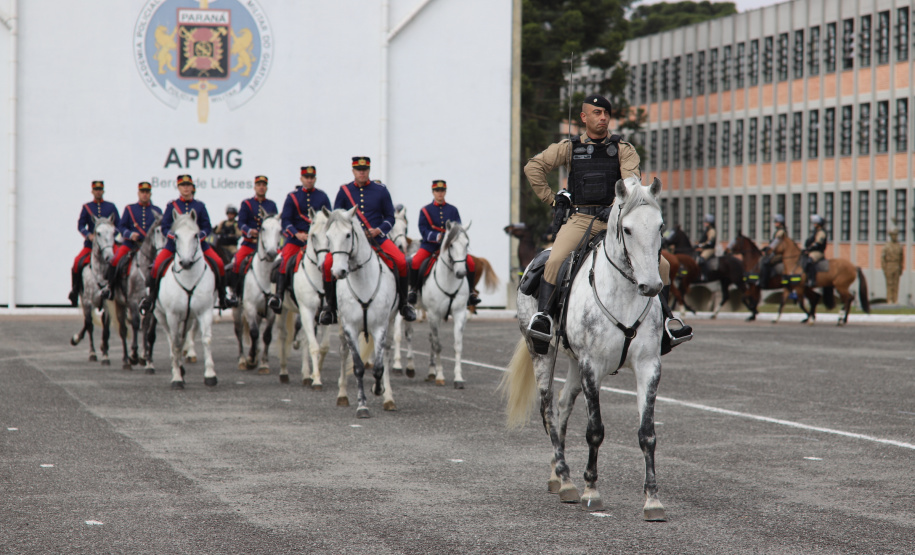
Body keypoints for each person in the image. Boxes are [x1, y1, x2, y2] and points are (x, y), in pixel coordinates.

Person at [523, 94, 688, 355]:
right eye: (597, 113)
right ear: (584, 117)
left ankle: (667, 323)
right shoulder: (569, 148)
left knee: (663, 265)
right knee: (554, 262)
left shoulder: (623, 149)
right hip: (581, 219)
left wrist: (614, 208)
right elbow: (533, 167)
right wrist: (553, 199)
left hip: (616, 221)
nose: (603, 118)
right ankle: (544, 319)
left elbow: (631, 184)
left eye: (606, 113)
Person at [319, 156, 416, 324]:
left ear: (369, 170)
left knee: (401, 261)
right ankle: (330, 308)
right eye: (358, 170)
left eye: (364, 170)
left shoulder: (381, 190)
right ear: (353, 171)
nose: (361, 173)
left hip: (377, 238)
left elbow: (390, 218)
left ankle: (404, 305)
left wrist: (378, 230)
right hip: (351, 241)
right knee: (328, 265)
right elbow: (337, 218)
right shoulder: (344, 191)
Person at [138, 175, 237, 314]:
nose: (185, 188)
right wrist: (173, 237)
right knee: (156, 266)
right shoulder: (172, 206)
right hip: (174, 246)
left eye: (188, 185)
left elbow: (206, 227)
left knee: (219, 263)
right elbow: (165, 227)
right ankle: (151, 299)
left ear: (192, 187)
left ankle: (223, 297)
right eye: (182, 185)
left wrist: (199, 237)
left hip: (199, 246)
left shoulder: (200, 206)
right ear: (178, 188)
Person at [268, 166, 331, 313]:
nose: (309, 180)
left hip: (318, 240)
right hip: (296, 240)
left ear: (315, 179)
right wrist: (296, 234)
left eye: (312, 177)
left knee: (330, 262)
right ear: (301, 179)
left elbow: (329, 218)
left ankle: (331, 300)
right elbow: (286, 220)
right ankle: (278, 296)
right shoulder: (292, 197)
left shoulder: (322, 197)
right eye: (306, 177)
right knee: (285, 260)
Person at [408, 180, 481, 307]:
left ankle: (470, 293)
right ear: (433, 192)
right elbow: (423, 230)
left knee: (470, 263)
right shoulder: (425, 210)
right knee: (416, 261)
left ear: (445, 192)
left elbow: (458, 229)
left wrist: (449, 239)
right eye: (437, 191)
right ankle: (413, 290)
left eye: (442, 191)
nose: (440, 194)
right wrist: (437, 236)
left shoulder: (453, 210)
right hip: (431, 245)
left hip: (450, 246)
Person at [100, 182, 162, 300]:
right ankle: (110, 288)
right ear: (138, 193)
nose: (145, 195)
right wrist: (130, 234)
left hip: (150, 247)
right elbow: (121, 227)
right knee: (115, 260)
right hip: (131, 244)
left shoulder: (157, 210)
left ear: (150, 194)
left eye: (147, 192)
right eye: (142, 192)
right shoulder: (130, 209)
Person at [228, 175, 278, 303]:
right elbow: (241, 223)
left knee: (280, 264)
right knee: (238, 261)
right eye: (259, 185)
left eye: (264, 185)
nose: (261, 188)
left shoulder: (271, 205)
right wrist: (250, 231)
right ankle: (234, 293)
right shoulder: (247, 204)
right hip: (250, 244)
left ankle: (278, 294)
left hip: (268, 246)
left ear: (266, 187)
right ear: (255, 187)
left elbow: (275, 223)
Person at [69, 181, 120, 305]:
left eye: (100, 189)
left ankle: (116, 290)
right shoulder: (87, 207)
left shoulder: (110, 207)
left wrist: (112, 234)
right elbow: (80, 225)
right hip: (91, 246)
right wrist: (88, 235)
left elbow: (118, 225)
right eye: (96, 189)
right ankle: (75, 291)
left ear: (103, 191)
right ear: (92, 191)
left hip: (108, 245)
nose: (98, 191)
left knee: (120, 262)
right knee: (77, 263)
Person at [759, 213, 787, 287]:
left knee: (766, 262)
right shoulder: (778, 231)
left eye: (776, 222)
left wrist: (769, 248)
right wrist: (766, 247)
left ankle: (764, 282)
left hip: (780, 253)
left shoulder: (781, 232)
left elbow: (776, 242)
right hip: (775, 252)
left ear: (780, 222)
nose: (775, 223)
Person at [802, 214, 827, 288]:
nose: (814, 224)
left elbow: (817, 244)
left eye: (815, 223)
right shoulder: (816, 232)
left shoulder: (821, 232)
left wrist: (809, 250)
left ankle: (812, 280)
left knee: (810, 261)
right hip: (812, 251)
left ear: (818, 224)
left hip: (818, 252)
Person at [881, 228, 904, 304]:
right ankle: (889, 299)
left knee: (896, 284)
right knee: (889, 284)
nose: (895, 237)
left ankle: (895, 299)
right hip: (889, 265)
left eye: (896, 235)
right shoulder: (887, 246)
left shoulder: (899, 246)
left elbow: (901, 258)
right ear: (891, 236)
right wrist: (884, 268)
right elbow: (883, 258)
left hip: (897, 266)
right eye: (894, 235)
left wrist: (901, 268)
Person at [694, 214, 717, 282]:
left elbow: (710, 242)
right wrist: (697, 244)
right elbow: (702, 240)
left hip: (709, 249)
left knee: (701, 259)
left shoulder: (712, 231)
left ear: (710, 223)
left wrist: (700, 245)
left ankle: (704, 275)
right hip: (704, 249)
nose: (705, 223)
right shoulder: (706, 230)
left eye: (706, 222)